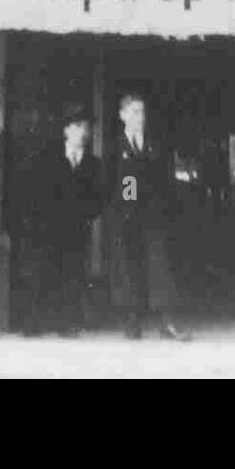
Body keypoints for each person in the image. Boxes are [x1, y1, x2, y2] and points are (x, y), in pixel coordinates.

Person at [105, 91, 190, 341]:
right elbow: (109, 183)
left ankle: (167, 322)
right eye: (134, 112)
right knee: (129, 266)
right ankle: (132, 321)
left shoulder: (156, 142)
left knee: (160, 266)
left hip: (152, 216)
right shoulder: (114, 145)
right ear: (122, 116)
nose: (139, 117)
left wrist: (163, 207)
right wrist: (118, 210)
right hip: (125, 216)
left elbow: (166, 179)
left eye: (142, 112)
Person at [24, 102, 105, 337]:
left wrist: (85, 216)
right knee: (44, 274)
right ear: (66, 130)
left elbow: (98, 198)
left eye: (86, 127)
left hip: (76, 229)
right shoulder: (47, 160)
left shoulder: (93, 165)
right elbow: (35, 192)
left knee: (73, 276)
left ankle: (66, 324)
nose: (83, 132)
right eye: (78, 126)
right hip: (48, 228)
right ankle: (35, 323)